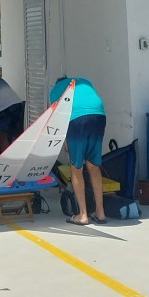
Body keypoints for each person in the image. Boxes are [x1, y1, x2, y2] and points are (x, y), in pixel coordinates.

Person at [49, 75, 107, 226]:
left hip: (77, 120)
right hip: (99, 116)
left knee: (77, 168)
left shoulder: (55, 90)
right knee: (94, 165)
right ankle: (100, 213)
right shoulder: (84, 81)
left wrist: (66, 142)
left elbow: (58, 118)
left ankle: (83, 215)